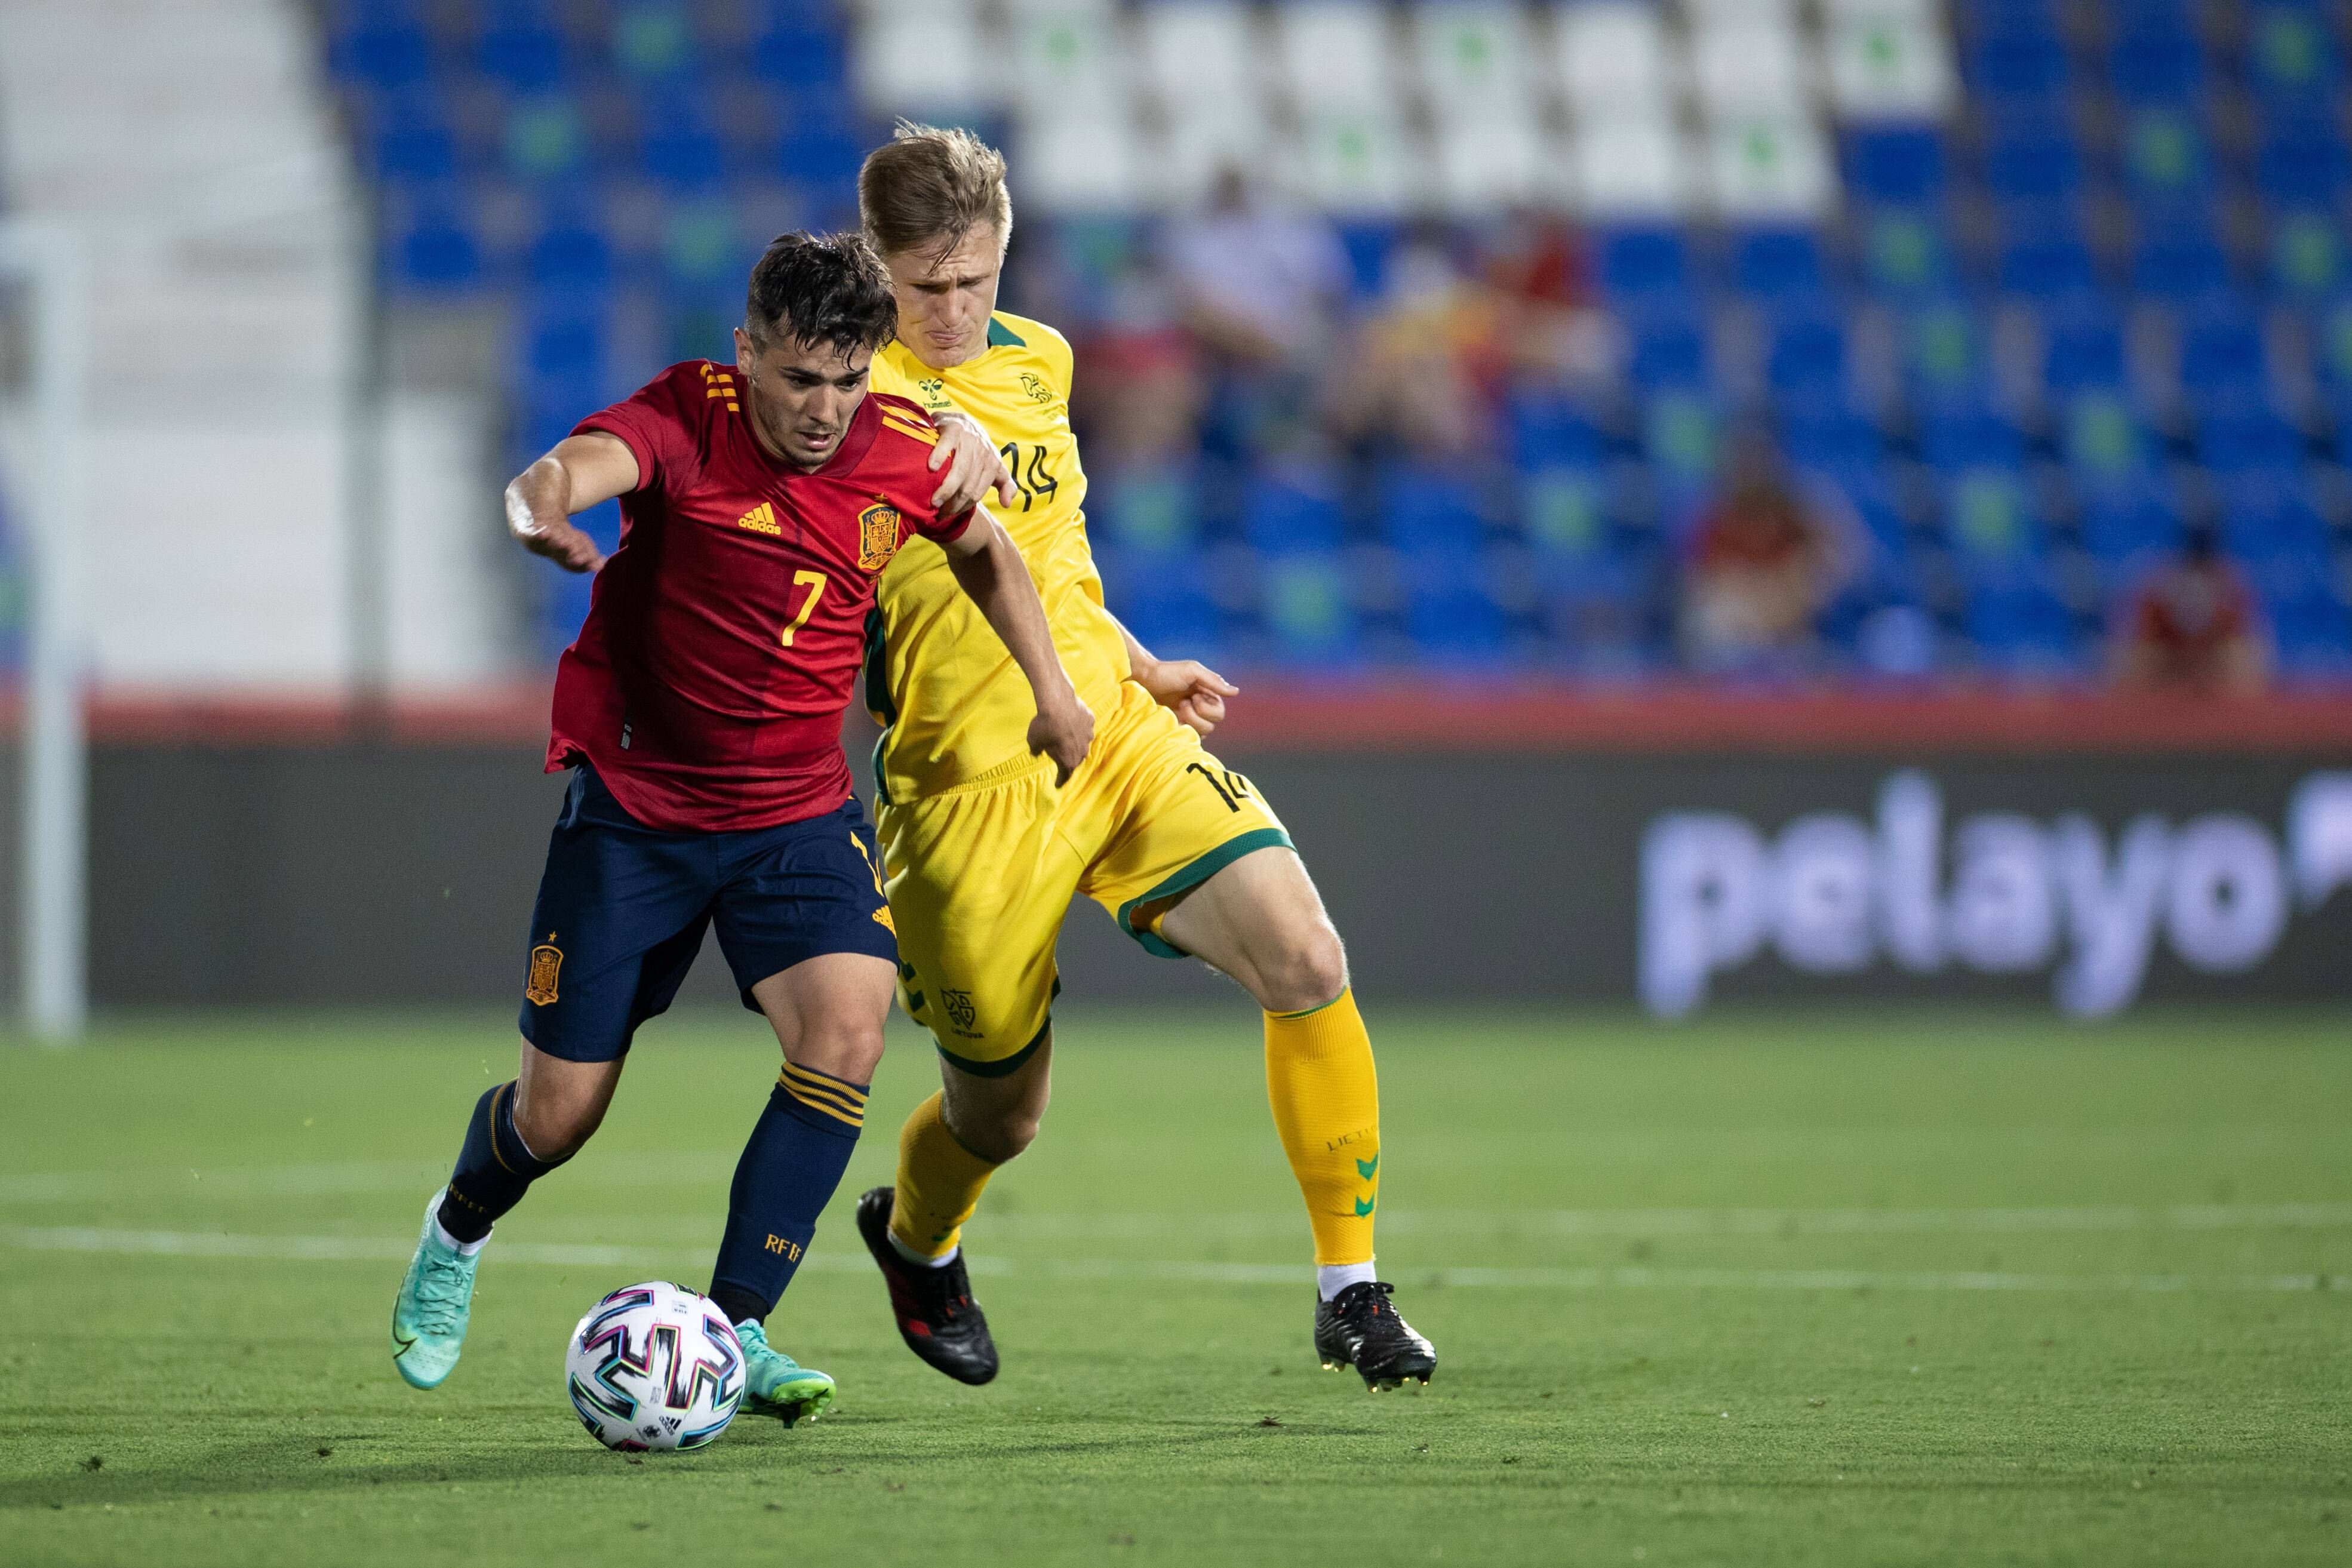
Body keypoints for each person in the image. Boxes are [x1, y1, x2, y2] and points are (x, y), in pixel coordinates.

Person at [387, 232, 1095, 1423]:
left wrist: (1056, 693)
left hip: (793, 816)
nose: (824, 410)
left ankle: (735, 1326)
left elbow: (988, 551)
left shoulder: (904, 452)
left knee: (849, 1033)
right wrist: (536, 517)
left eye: (848, 379)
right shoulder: (682, 414)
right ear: (747, 353)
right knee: (557, 1114)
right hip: (637, 817)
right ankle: (456, 1228)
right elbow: (561, 469)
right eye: (799, 378)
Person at [847, 124, 1438, 1392]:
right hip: (965, 799)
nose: (953, 310)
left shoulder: (1041, 361)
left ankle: (1351, 1288)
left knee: (1305, 951)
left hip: (1107, 734)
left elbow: (1049, 562)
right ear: (877, 267)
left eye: (975, 279)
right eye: (925, 287)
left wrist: (1136, 659)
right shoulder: (846, 400)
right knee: (1000, 1115)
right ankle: (915, 1239)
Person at [1678, 428, 1858, 671]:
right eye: (1743, 465)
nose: (1750, 473)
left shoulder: (1800, 508)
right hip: (1737, 630)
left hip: (1793, 623)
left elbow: (1847, 559)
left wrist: (1793, 588)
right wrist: (1753, 595)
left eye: (1757, 463)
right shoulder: (1713, 515)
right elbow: (1701, 584)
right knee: (1714, 616)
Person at [2111, 524, 2271, 691]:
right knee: (2136, 659)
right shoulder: (2159, 581)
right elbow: (2143, 635)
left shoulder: (2231, 582)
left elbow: (2244, 634)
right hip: (2169, 656)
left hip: (2212, 659)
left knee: (2240, 657)